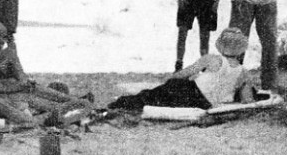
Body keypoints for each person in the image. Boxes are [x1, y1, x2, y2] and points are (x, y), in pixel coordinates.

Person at [108, 28, 254, 111]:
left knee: (156, 93)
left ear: (221, 46)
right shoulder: (243, 72)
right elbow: (247, 99)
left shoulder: (212, 59)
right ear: (240, 50)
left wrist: (170, 79)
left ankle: (118, 105)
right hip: (206, 103)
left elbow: (184, 73)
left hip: (192, 92)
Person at [0, 47, 93, 121]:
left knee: (33, 89)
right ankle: (71, 105)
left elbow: (16, 74)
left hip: (8, 87)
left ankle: (73, 101)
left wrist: (21, 83)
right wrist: (17, 87)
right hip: (5, 92)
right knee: (30, 95)